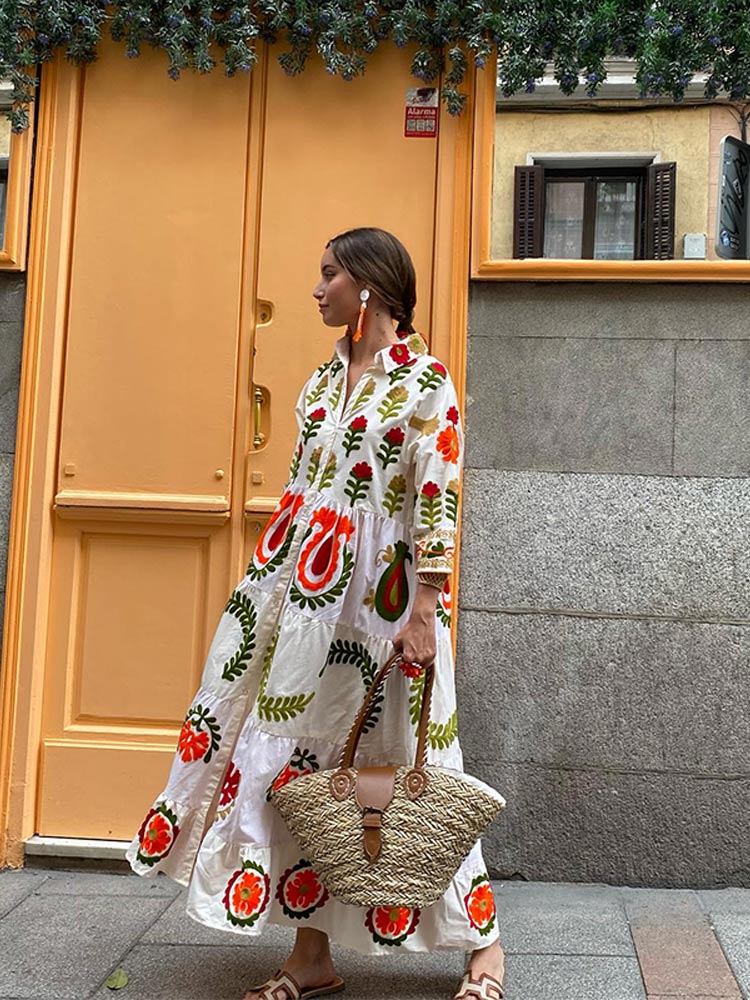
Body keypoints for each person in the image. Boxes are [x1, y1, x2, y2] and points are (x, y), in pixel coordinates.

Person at [127, 227, 506, 1000]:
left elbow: (438, 498)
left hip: (383, 604)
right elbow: (305, 490)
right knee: (307, 766)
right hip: (304, 597)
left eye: (327, 274)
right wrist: (264, 591)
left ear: (367, 289)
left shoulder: (426, 381)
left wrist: (427, 611)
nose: (316, 288)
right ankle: (311, 956)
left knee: (410, 766)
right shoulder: (321, 379)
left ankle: (486, 947)